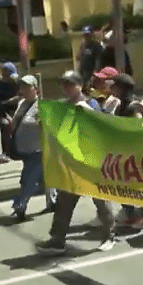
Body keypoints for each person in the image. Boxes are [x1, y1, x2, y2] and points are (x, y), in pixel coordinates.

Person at [36, 71, 115, 254]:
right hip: (72, 163)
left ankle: (109, 236)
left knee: (101, 200)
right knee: (64, 202)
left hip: (92, 162)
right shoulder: (62, 107)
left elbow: (102, 125)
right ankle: (57, 240)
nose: (67, 88)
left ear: (80, 85)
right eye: (64, 85)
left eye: (70, 84)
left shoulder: (91, 103)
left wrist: (86, 111)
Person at [110, 74, 143, 230]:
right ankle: (131, 216)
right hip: (124, 152)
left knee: (141, 186)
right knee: (122, 185)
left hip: (137, 153)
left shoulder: (133, 106)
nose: (111, 88)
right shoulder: (120, 105)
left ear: (122, 88)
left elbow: (139, 128)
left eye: (114, 85)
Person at [10, 75, 44, 221]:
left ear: (35, 89)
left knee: (31, 179)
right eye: (22, 86)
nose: (23, 89)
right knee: (28, 178)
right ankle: (55, 200)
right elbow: (15, 121)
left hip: (37, 149)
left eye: (27, 87)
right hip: (24, 149)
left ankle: (20, 204)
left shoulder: (41, 106)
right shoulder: (22, 103)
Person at [0, 62, 20, 162]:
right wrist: (10, 102)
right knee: (6, 124)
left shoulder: (16, 82)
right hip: (1, 113)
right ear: (3, 74)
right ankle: (5, 152)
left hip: (16, 111)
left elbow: (22, 97)